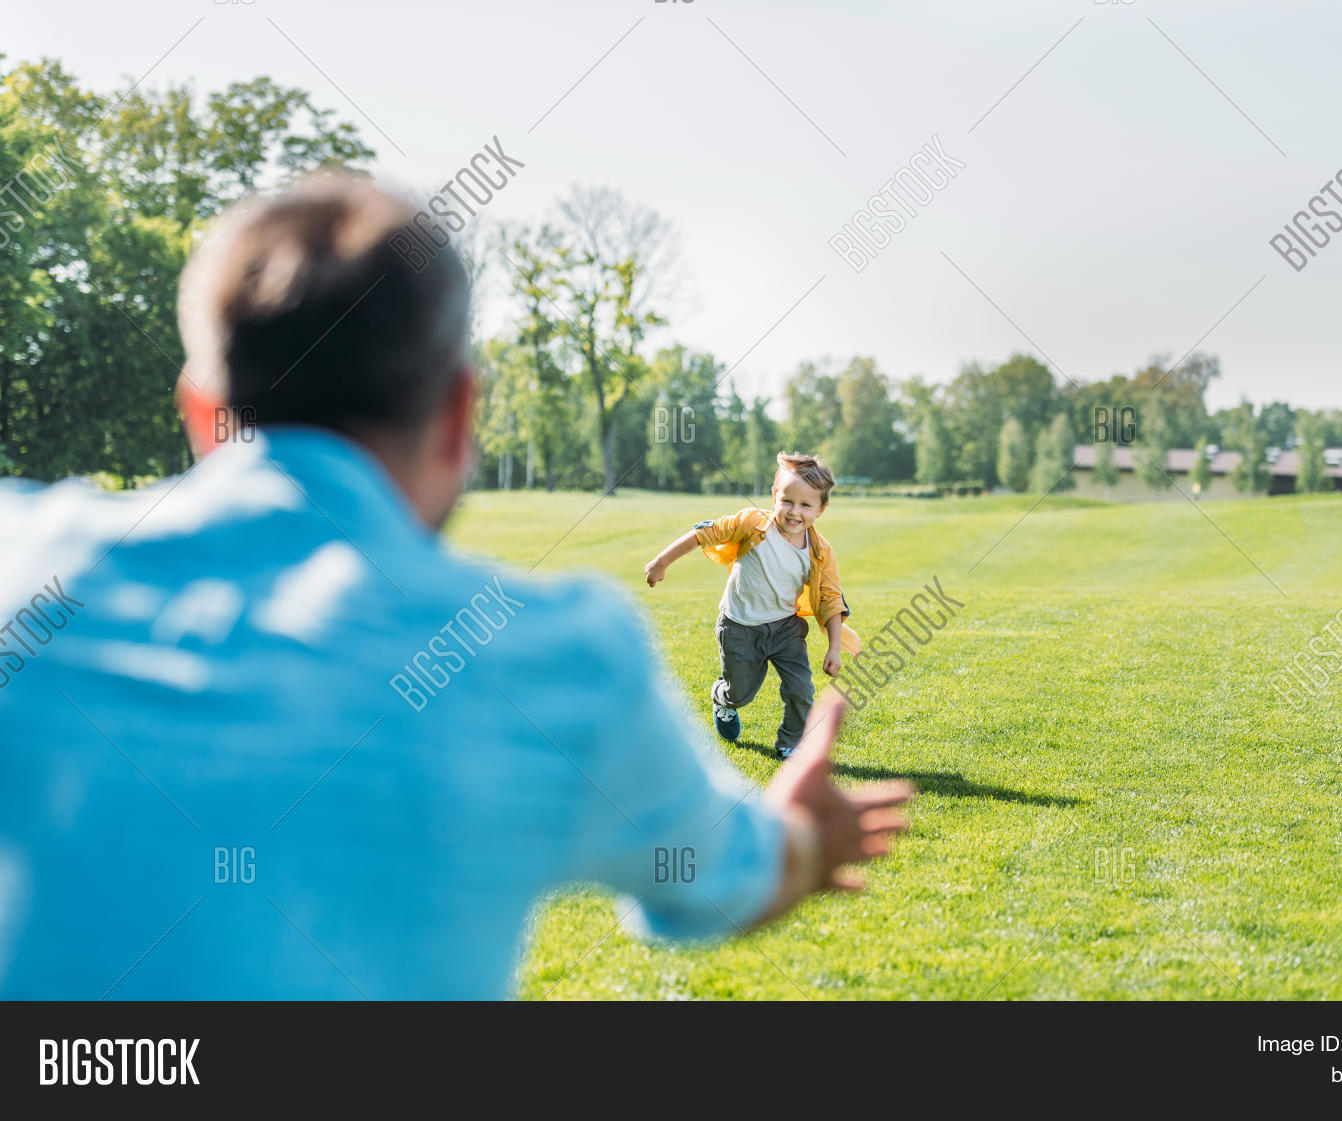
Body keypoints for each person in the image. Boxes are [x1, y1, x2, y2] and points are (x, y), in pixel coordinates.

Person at [0, 173, 910, 999]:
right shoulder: (560, 654)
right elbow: (714, 876)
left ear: (202, 408)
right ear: (457, 415)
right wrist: (798, 842)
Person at [643, 453, 860, 760]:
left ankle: (790, 743)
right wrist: (661, 562)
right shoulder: (752, 524)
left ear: (821, 509)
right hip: (739, 626)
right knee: (740, 693)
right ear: (774, 497)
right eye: (787, 501)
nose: (794, 511)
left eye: (805, 505)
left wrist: (834, 648)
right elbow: (704, 534)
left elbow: (830, 600)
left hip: (786, 628)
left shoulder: (821, 551)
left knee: (801, 689)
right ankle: (723, 699)